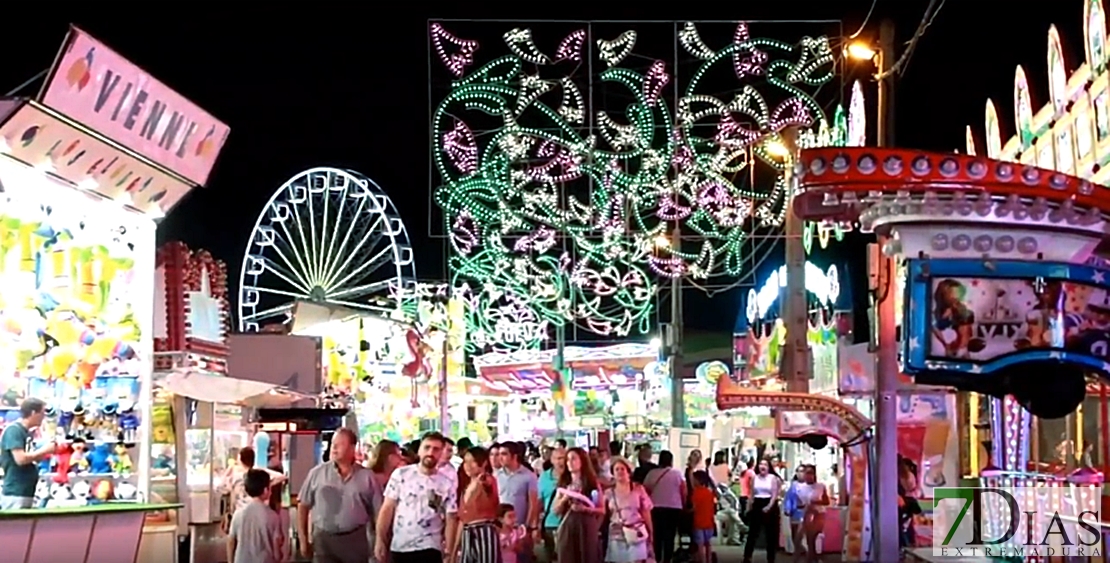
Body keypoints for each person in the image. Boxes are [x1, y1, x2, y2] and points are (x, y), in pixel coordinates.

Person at [297, 428, 380, 563]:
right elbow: (303, 506)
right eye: (332, 443)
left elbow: (378, 512)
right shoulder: (317, 473)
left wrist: (379, 541)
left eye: (339, 444)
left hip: (355, 540)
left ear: (352, 447)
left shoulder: (367, 477)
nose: (334, 448)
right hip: (323, 540)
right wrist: (303, 540)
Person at [376, 432, 459, 563]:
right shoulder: (401, 475)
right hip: (401, 546)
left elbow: (451, 518)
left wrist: (449, 551)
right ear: (419, 450)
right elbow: (387, 508)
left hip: (430, 547)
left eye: (436, 449)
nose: (430, 452)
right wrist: (380, 539)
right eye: (427, 447)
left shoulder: (446, 483)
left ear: (441, 453)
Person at [0, 398, 54, 509]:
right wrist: (45, 450)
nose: (43, 417)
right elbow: (20, 459)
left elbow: (31, 457)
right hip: (15, 492)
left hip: (26, 490)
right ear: (33, 413)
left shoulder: (27, 433)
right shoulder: (14, 431)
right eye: (42, 413)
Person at [554, 447, 604, 563]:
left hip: (587, 527)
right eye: (567, 460)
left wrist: (585, 509)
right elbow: (555, 510)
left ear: (582, 461)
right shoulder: (564, 483)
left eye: (573, 459)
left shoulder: (592, 483)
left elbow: (601, 510)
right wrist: (565, 498)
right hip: (568, 526)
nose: (570, 463)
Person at [453, 446, 501, 563]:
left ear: (483, 463)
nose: (468, 465)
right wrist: (454, 549)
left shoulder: (487, 480)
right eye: (465, 461)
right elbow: (462, 520)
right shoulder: (465, 487)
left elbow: (488, 485)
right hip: (467, 533)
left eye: (473, 461)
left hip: (484, 532)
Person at [227, 469, 285, 563]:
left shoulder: (238, 514)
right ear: (266, 490)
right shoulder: (273, 516)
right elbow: (277, 551)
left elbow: (231, 541)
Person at [496, 441, 540, 563]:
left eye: (504, 454)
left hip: (519, 527)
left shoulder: (528, 476)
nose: (500, 458)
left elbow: (533, 502)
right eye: (499, 454)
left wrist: (527, 527)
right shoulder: (496, 475)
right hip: (501, 530)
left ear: (514, 456)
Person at [603, 457, 653, 563]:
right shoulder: (608, 493)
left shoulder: (638, 489)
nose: (620, 472)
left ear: (628, 472)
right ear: (613, 473)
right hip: (616, 536)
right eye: (617, 469)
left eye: (622, 469)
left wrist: (651, 532)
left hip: (637, 533)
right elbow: (604, 514)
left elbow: (646, 511)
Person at [221, 446, 287, 526]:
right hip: (258, 515)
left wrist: (228, 470)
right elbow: (281, 477)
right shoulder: (258, 477)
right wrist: (264, 473)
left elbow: (220, 487)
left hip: (239, 515)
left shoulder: (234, 477)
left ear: (240, 460)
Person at [643, 450, 686, 563]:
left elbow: (645, 490)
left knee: (657, 534)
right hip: (674, 508)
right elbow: (683, 490)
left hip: (656, 507)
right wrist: (684, 503)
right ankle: (667, 558)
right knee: (670, 535)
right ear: (671, 461)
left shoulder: (652, 473)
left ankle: (657, 558)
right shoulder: (677, 474)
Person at [368, 440, 405, 563]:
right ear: (389, 457)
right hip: (375, 530)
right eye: (397, 454)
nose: (401, 457)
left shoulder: (395, 477)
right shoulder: (375, 479)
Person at [742, 459, 782, 563]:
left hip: (769, 503)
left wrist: (769, 506)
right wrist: (748, 506)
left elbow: (774, 494)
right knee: (753, 532)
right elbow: (751, 494)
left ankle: (771, 558)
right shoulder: (755, 478)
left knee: (771, 534)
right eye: (760, 464)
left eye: (765, 464)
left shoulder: (773, 478)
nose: (762, 466)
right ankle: (747, 556)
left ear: (769, 467)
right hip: (757, 503)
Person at [536, 446, 567, 562]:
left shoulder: (572, 477)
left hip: (568, 524)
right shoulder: (544, 477)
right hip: (550, 524)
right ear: (552, 460)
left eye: (563, 458)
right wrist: (537, 526)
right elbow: (538, 502)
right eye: (557, 458)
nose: (561, 462)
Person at [800, 465, 829, 563]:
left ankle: (811, 559)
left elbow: (827, 501)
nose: (809, 475)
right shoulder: (801, 487)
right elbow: (798, 503)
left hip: (819, 514)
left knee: (813, 536)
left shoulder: (821, 486)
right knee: (809, 539)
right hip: (806, 514)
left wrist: (816, 502)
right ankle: (814, 558)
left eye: (811, 473)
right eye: (807, 473)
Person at [689, 470, 717, 563]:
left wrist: (687, 511)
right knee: (708, 544)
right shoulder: (709, 492)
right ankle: (708, 560)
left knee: (700, 545)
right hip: (709, 522)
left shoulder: (696, 493)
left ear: (697, 480)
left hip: (699, 522)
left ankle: (702, 560)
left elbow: (694, 507)